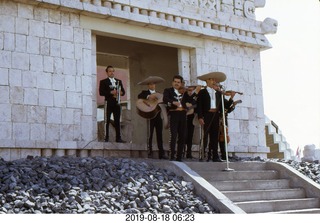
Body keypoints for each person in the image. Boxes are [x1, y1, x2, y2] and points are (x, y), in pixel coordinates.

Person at [196, 72, 233, 162]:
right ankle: (203, 155)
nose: (213, 81)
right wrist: (200, 117)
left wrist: (231, 98)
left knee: (214, 136)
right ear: (207, 81)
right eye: (211, 79)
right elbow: (199, 105)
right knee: (205, 135)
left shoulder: (218, 93)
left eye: (214, 79)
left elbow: (225, 105)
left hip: (215, 115)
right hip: (207, 114)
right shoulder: (202, 92)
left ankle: (215, 156)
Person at [137, 76, 167, 159]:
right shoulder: (145, 92)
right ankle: (149, 152)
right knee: (149, 135)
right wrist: (148, 97)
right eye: (150, 84)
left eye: (153, 84)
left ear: (155, 85)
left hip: (158, 116)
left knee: (159, 135)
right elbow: (139, 96)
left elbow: (164, 102)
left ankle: (161, 153)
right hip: (150, 116)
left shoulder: (159, 94)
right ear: (148, 85)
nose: (152, 86)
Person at [163, 75, 188, 162]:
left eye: (178, 82)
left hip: (183, 115)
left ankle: (179, 156)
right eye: (175, 82)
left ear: (181, 83)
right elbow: (165, 99)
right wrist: (173, 102)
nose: (176, 83)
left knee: (182, 136)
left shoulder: (184, 92)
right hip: (173, 114)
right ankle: (172, 155)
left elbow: (191, 101)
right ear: (172, 82)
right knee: (173, 135)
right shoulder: (168, 90)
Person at [99, 65, 126, 143]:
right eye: (110, 71)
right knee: (107, 120)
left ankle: (118, 138)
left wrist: (120, 92)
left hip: (117, 102)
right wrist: (111, 92)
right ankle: (106, 138)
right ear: (107, 72)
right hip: (108, 102)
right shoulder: (103, 81)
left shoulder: (118, 81)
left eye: (113, 71)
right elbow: (101, 92)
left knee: (117, 120)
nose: (112, 72)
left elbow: (123, 92)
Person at [183, 85, 201, 159]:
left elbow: (195, 104)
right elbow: (190, 102)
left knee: (190, 136)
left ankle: (189, 153)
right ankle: (182, 152)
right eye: (189, 90)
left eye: (192, 91)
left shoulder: (195, 97)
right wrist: (195, 93)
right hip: (184, 118)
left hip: (191, 118)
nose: (190, 92)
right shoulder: (184, 96)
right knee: (184, 136)